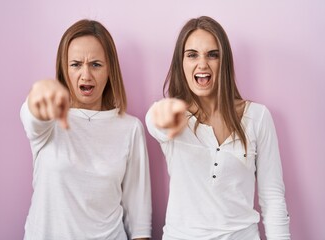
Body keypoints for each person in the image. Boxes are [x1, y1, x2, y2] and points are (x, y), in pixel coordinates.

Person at [146, 16, 290, 239]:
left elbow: (273, 198)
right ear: (180, 63)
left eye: (212, 54)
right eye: (192, 54)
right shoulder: (172, 115)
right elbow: (155, 121)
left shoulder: (258, 117)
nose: (202, 64)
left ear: (224, 62)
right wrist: (162, 115)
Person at [20, 19, 152, 240]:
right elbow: (32, 114)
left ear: (110, 70)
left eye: (96, 64)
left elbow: (139, 220)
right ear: (64, 68)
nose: (86, 75)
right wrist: (39, 95)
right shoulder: (48, 122)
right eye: (76, 64)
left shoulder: (130, 129)